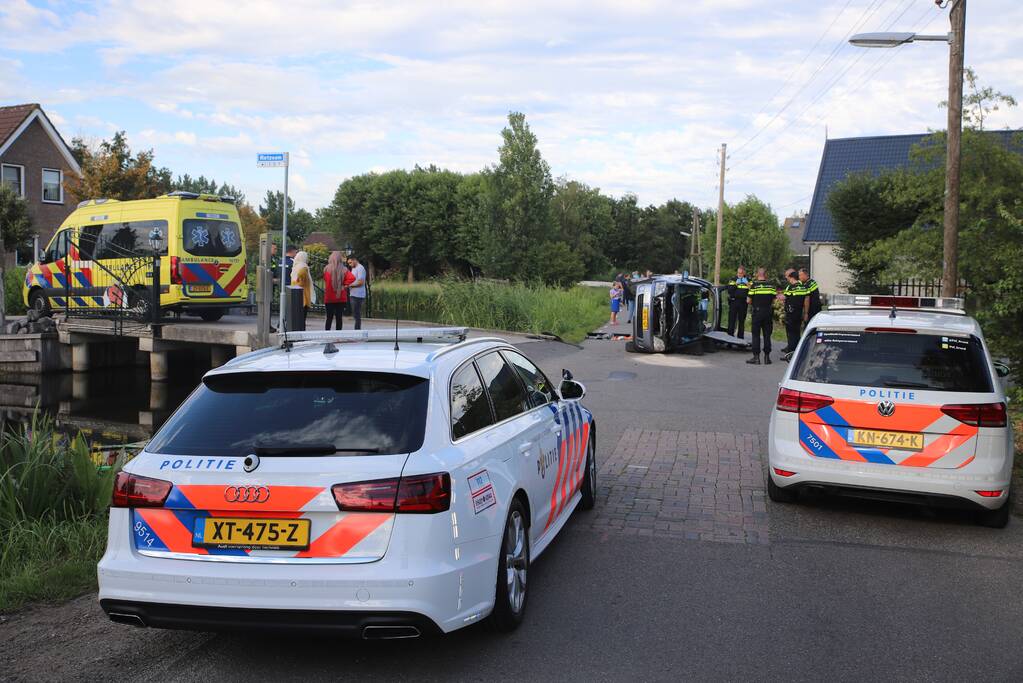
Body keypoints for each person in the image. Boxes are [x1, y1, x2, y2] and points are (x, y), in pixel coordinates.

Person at [746, 267, 777, 365]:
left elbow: (748, 301)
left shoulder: (754, 286)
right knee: (767, 334)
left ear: (757, 274)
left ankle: (756, 358)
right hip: (768, 312)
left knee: (756, 335)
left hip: (757, 312)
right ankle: (767, 358)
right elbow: (774, 299)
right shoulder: (771, 286)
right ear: (765, 275)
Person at [323, 251, 354, 330]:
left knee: (329, 317)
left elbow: (325, 280)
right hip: (341, 296)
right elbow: (352, 278)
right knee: (339, 317)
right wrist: (344, 285)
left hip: (329, 296)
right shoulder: (344, 269)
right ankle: (338, 334)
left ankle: (327, 333)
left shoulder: (326, 269)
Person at [780, 269, 806, 361]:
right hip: (799, 313)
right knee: (797, 333)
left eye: (788, 277)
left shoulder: (790, 287)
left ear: (791, 277)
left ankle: (790, 355)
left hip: (790, 313)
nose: (787, 279)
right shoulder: (803, 287)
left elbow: (784, 298)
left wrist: (780, 296)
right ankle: (798, 353)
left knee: (791, 335)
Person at [290, 250, 313, 330]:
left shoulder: (295, 267)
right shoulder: (303, 268)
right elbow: (304, 283)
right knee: (302, 318)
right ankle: (302, 334)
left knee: (296, 318)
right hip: (303, 296)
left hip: (295, 295)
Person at [726, 265, 750, 339]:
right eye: (738, 273)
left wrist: (747, 284)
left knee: (741, 321)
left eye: (741, 273)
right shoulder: (733, 280)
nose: (739, 274)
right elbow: (729, 290)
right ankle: (730, 337)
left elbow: (752, 290)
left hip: (743, 303)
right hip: (734, 302)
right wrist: (736, 283)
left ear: (744, 273)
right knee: (731, 320)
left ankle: (740, 338)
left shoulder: (748, 280)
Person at [346, 255, 367, 330]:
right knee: (355, 314)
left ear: (355, 260)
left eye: (350, 262)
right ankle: (357, 330)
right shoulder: (353, 268)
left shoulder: (360, 268)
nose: (350, 264)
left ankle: (357, 331)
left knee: (356, 314)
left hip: (358, 295)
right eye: (349, 263)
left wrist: (349, 285)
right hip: (353, 294)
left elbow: (361, 282)